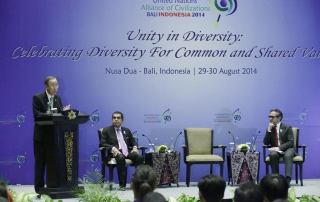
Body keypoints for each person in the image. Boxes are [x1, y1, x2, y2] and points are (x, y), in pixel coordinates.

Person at [32, 76, 70, 193]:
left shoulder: (58, 99)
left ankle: (52, 187)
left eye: (57, 84)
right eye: (53, 85)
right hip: (41, 138)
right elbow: (37, 115)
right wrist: (52, 115)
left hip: (54, 138)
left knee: (53, 164)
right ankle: (39, 189)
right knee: (40, 164)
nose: (55, 87)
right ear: (46, 86)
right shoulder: (37, 98)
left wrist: (64, 113)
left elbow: (58, 117)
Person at [99, 111, 144, 189]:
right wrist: (113, 148)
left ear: (122, 120)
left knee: (139, 157)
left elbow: (133, 142)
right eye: (114, 118)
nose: (116, 119)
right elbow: (102, 143)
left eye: (118, 118)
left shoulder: (126, 130)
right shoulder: (106, 130)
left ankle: (137, 182)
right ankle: (121, 184)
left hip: (126, 152)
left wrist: (135, 147)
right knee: (120, 157)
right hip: (114, 153)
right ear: (112, 119)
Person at [263, 109, 297, 186]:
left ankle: (287, 180)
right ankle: (276, 179)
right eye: (269, 117)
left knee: (287, 155)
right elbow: (265, 143)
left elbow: (290, 142)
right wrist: (268, 130)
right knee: (273, 155)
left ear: (279, 118)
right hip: (276, 150)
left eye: (272, 117)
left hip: (288, 149)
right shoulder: (270, 129)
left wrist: (279, 148)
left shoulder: (287, 127)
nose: (270, 118)